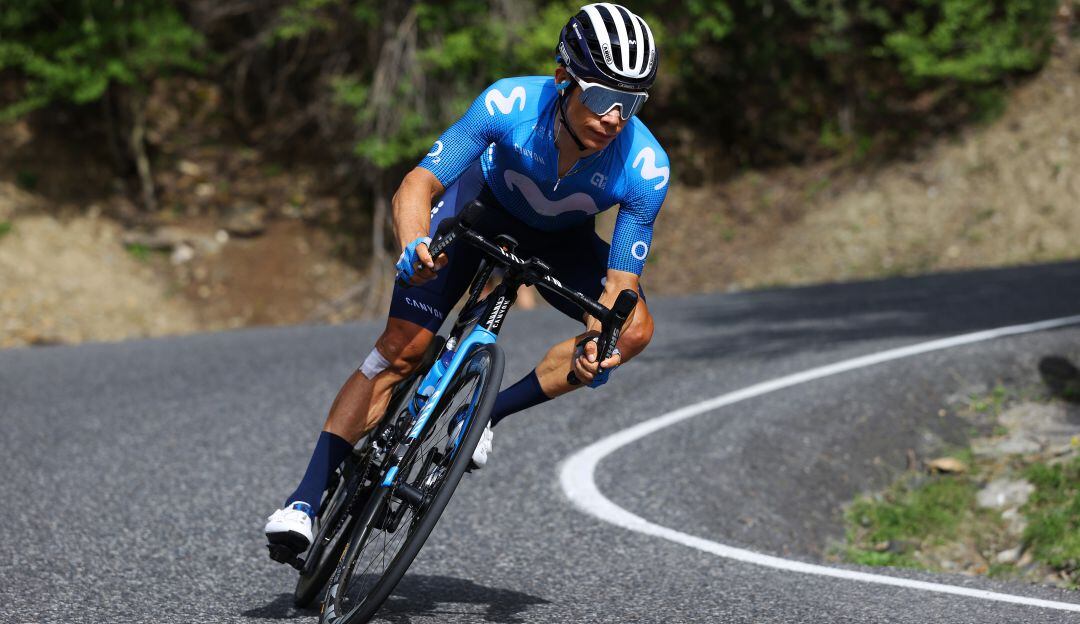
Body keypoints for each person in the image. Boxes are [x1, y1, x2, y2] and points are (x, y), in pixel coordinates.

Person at [265, 2, 670, 555]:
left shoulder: (646, 166)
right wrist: (414, 244)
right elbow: (418, 183)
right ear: (563, 81)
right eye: (601, 97)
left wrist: (600, 342)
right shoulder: (511, 102)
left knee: (635, 329)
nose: (614, 117)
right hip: (477, 211)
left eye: (631, 103)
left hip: (562, 239)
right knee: (402, 351)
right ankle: (305, 500)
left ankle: (482, 415)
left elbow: (620, 285)